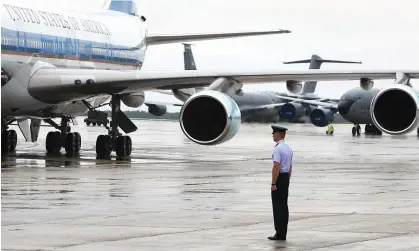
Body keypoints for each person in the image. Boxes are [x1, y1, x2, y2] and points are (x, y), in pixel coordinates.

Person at [268, 125, 293, 241]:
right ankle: (283, 232)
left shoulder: (278, 149)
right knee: (284, 205)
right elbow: (290, 167)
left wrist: (273, 183)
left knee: (277, 206)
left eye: (274, 133)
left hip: (279, 178)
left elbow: (276, 167)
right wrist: (287, 178)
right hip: (285, 177)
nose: (272, 135)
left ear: (278, 135)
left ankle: (279, 232)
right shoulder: (288, 148)